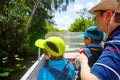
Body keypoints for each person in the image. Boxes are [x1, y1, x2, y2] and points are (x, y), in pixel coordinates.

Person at [76, 0, 120, 80]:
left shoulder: (116, 42)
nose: (94, 19)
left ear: (108, 15)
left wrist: (83, 61)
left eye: (96, 15)